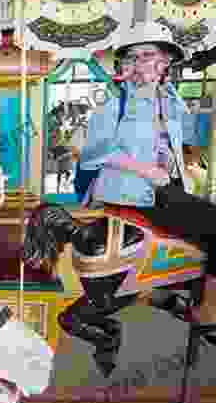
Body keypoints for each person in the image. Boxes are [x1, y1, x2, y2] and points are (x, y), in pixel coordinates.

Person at [78, 20, 216, 333]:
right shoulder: (114, 105)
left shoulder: (172, 101)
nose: (141, 63)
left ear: (165, 60)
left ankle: (174, 292)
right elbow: (92, 154)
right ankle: (208, 310)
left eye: (148, 54)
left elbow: (192, 138)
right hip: (135, 190)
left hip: (171, 186)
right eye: (134, 56)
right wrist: (146, 169)